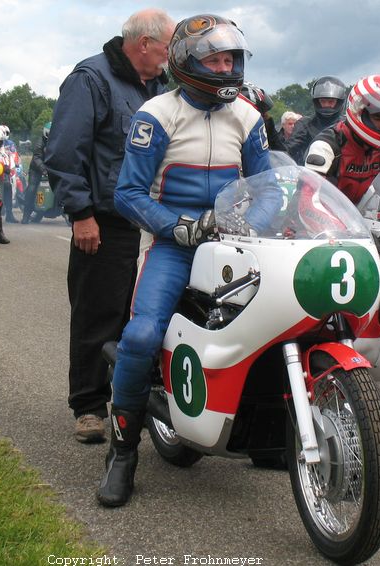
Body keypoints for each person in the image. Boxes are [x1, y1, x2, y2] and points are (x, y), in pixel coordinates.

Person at [97, 13, 275, 508]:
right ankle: (123, 454)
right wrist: (176, 226)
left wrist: (253, 224)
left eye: (231, 59)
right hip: (175, 246)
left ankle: (268, 433)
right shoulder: (157, 113)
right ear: (185, 63)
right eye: (214, 59)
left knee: (276, 324)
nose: (225, 67)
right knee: (141, 335)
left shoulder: (248, 116)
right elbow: (127, 194)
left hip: (238, 246)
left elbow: (270, 190)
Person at [45, 8, 175, 445]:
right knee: (98, 312)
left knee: (135, 314)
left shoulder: (158, 86)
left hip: (152, 218)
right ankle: (87, 406)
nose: (172, 54)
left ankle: (133, 398)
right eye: (168, 45)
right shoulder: (91, 79)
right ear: (143, 44)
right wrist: (81, 214)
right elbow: (64, 152)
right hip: (103, 219)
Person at [304, 75, 380, 206]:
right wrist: (345, 225)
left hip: (359, 218)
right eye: (378, 118)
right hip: (315, 219)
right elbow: (308, 201)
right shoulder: (327, 145)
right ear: (358, 111)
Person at [289, 75, 348, 164]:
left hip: (341, 174)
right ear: (317, 101)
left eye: (331, 102)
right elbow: (288, 150)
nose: (327, 105)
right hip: (311, 173)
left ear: (339, 102)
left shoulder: (347, 124)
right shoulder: (305, 124)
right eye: (323, 101)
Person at [23, 122, 51, 224]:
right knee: (32, 188)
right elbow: (37, 158)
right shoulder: (40, 143)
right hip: (36, 170)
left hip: (50, 168)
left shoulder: (58, 142)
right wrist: (43, 169)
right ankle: (26, 215)